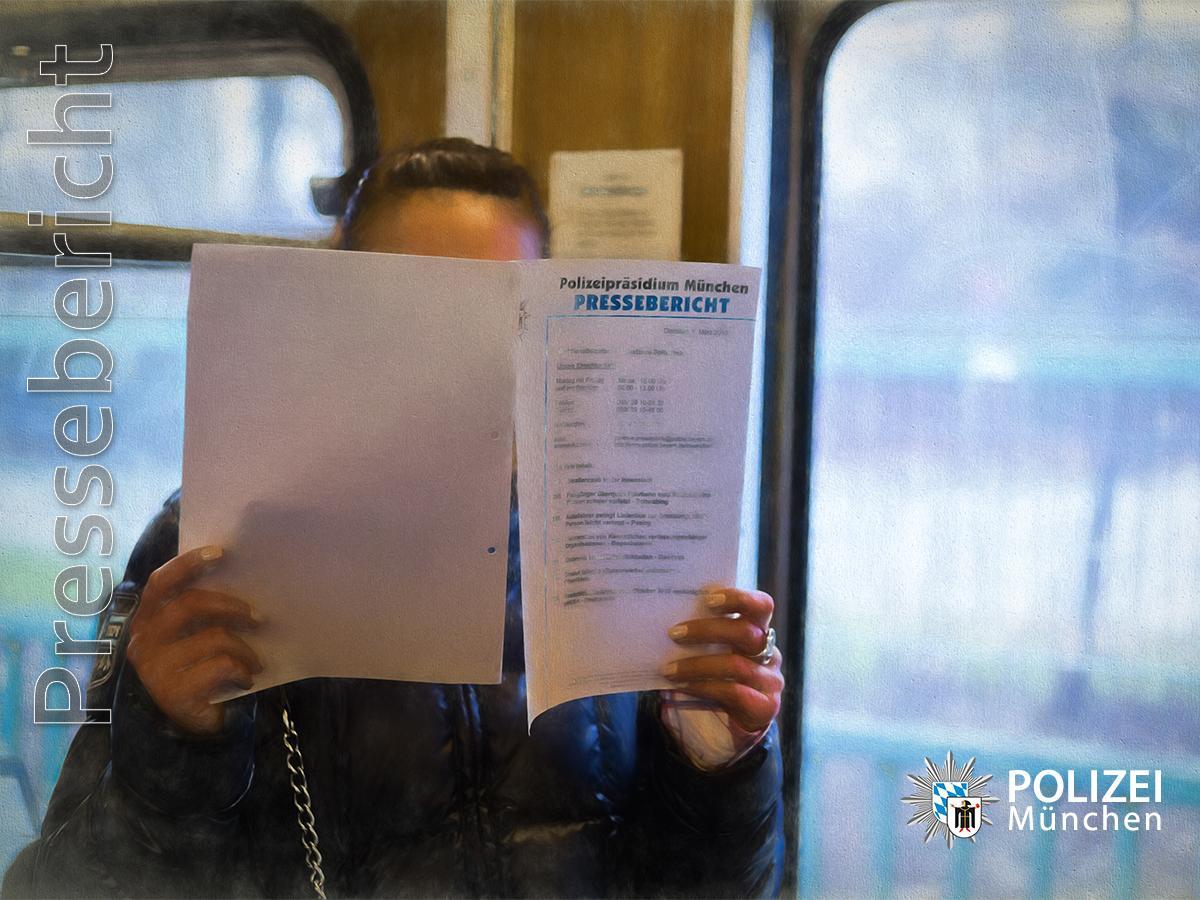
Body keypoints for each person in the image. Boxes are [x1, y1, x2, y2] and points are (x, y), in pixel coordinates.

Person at [2, 139, 784, 899]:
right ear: (344, 318)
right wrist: (170, 747)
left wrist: (716, 769)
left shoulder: (612, 534)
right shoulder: (206, 544)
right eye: (421, 306)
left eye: (505, 313)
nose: (462, 353)